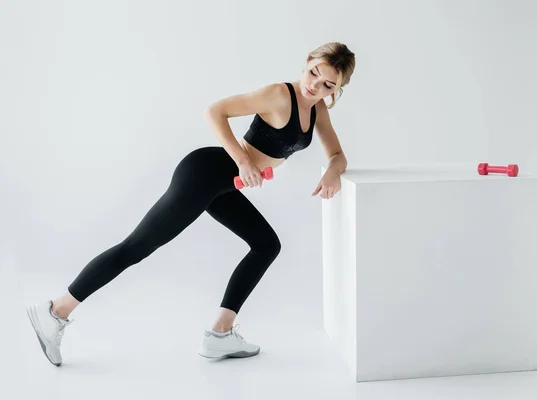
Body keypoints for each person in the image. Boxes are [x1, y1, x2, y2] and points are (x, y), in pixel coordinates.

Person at [26, 41, 356, 366]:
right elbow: (215, 111)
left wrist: (332, 171)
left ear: (338, 88)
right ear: (308, 61)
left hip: (223, 186)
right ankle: (55, 311)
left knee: (266, 245)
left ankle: (220, 335)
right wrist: (243, 161)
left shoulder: (318, 109)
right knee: (136, 248)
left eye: (328, 84)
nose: (316, 85)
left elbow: (338, 155)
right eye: (314, 73)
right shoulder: (278, 94)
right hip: (205, 172)